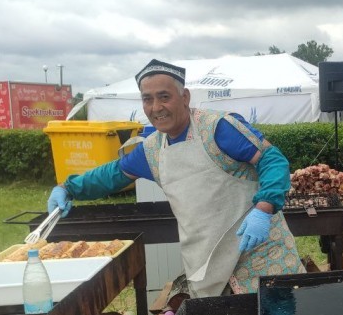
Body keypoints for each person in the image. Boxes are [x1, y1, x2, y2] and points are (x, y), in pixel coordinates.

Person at [47, 59, 304, 298]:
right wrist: (68, 188)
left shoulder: (218, 128)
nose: (156, 108)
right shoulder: (152, 150)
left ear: (185, 97)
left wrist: (264, 208)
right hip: (209, 264)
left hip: (259, 252)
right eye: (147, 99)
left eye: (164, 97)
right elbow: (112, 175)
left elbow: (272, 159)